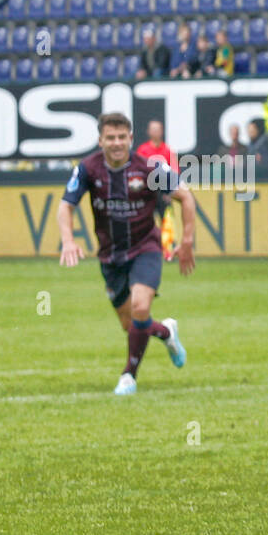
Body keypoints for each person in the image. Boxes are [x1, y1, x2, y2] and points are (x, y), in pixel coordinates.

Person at [57, 112, 196, 395]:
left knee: (141, 308)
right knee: (131, 324)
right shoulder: (88, 169)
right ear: (100, 140)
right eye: (110, 138)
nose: (117, 143)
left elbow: (186, 196)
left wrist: (187, 241)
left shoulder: (148, 168)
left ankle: (128, 377)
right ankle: (166, 332)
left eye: (122, 137)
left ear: (131, 139)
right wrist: (68, 240)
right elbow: (65, 206)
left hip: (146, 247)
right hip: (110, 255)